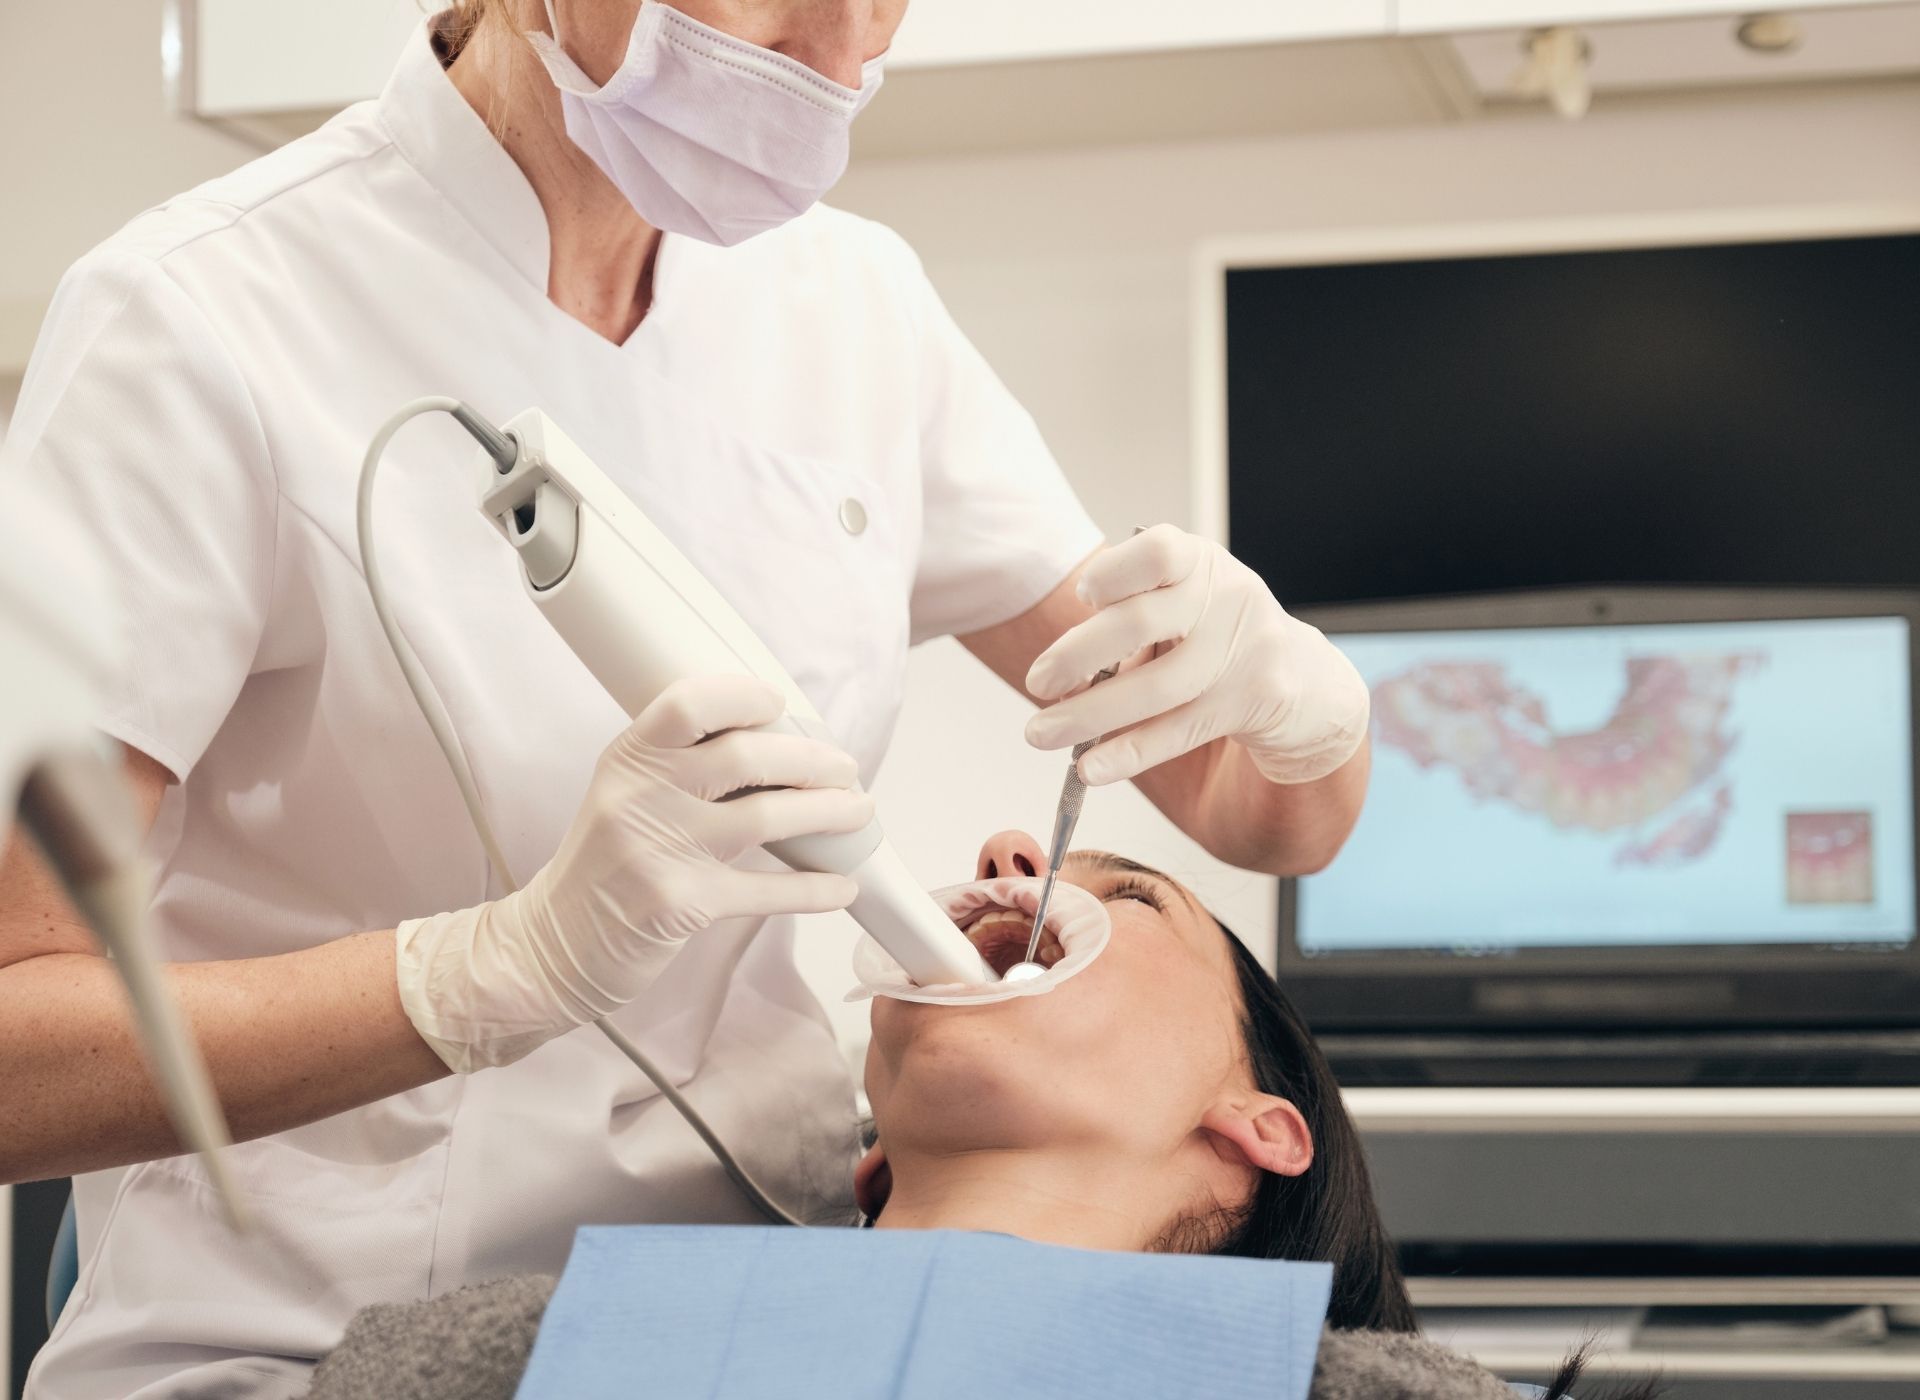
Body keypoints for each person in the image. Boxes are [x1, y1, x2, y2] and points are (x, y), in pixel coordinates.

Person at [0, 3, 1374, 1396]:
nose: (845, 59)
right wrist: (484, 974)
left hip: (756, 1327)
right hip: (303, 1346)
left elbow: (1249, 802)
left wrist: (1302, 703)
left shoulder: (850, 308)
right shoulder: (194, 317)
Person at [300, 835, 1638, 1400]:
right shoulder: (484, 1364)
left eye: (1137, 890)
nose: (1007, 859)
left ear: (1260, 1128)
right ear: (869, 1152)